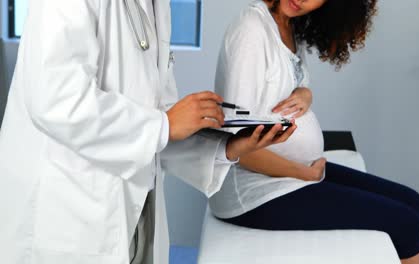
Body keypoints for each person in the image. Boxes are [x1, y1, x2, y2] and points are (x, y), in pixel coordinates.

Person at [0, 0, 297, 263]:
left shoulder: (157, 5)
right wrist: (164, 124)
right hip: (69, 214)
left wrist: (229, 147)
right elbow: (56, 100)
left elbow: (161, 123)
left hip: (135, 207)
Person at [209, 1, 419, 263]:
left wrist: (306, 94)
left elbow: (291, 88)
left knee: (413, 202)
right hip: (254, 191)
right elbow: (238, 147)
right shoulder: (252, 31)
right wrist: (304, 173)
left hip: (289, 175)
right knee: (404, 222)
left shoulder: (290, 27)